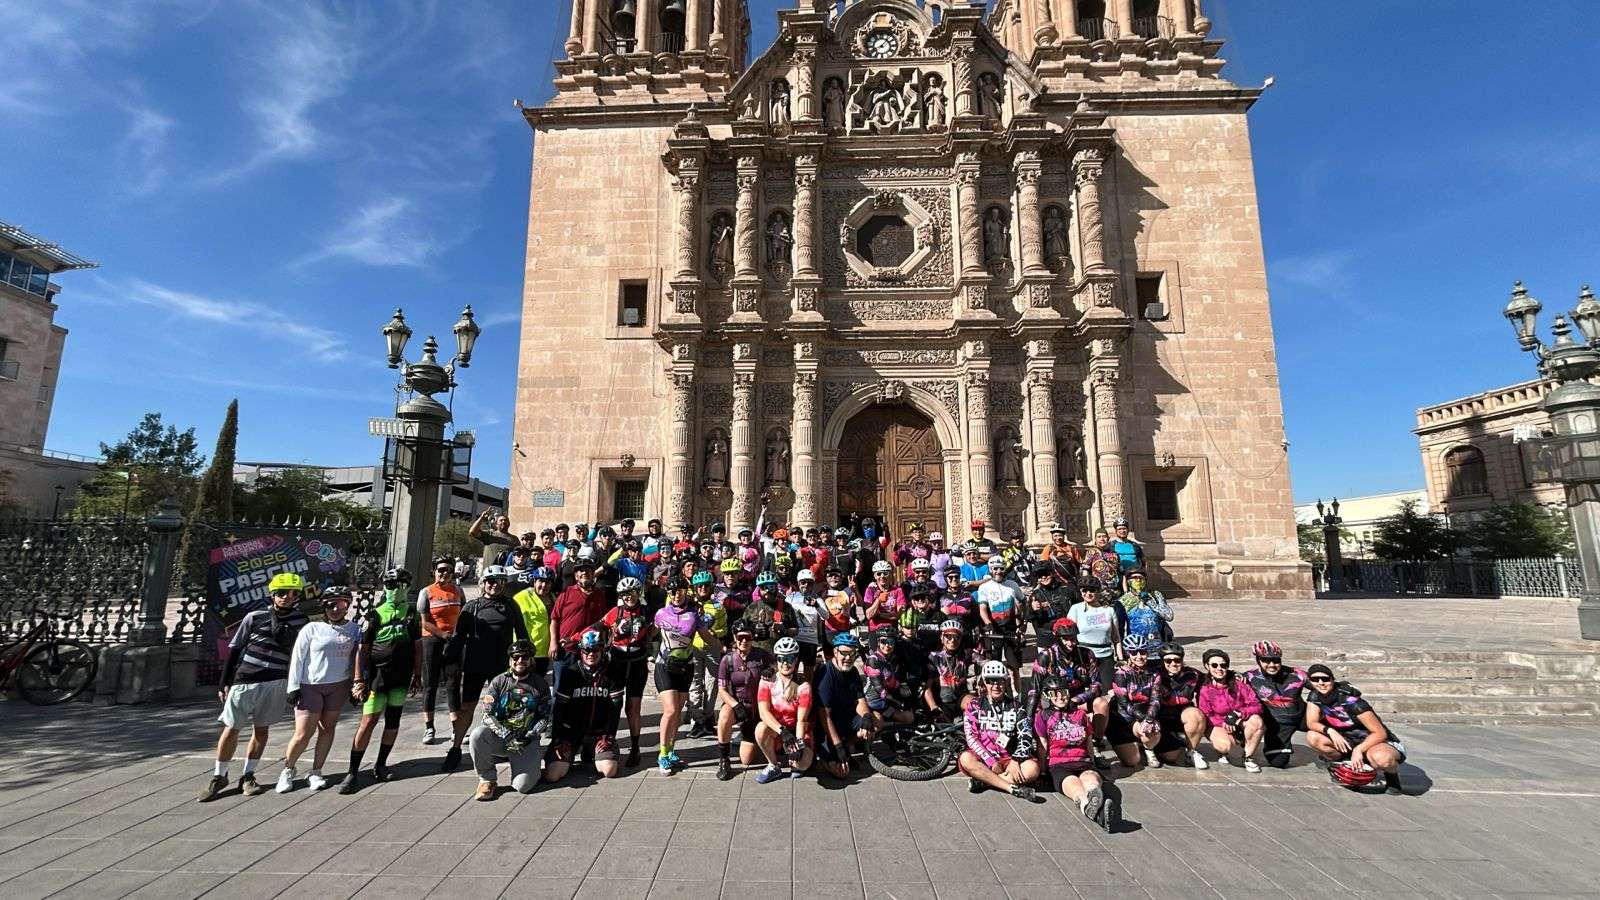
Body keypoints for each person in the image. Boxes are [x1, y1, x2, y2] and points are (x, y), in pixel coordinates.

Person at [199, 572, 309, 802]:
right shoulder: (255, 617)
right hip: (246, 678)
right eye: (281, 593)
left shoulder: (302, 621)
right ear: (272, 594)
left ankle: (248, 775)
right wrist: (224, 681)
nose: (286, 597)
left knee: (261, 729)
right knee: (231, 728)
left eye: (292, 593)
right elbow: (235, 648)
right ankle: (219, 775)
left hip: (276, 680)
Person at [442, 567, 530, 771]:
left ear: (504, 583)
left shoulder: (510, 605)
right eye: (490, 581)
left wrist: (526, 657)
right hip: (476, 664)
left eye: (498, 581)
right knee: (467, 708)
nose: (494, 584)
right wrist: (448, 658)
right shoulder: (472, 607)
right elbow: (458, 637)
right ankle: (455, 749)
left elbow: (522, 634)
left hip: (502, 665)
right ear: (483, 583)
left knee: (506, 707)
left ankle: (505, 745)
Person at [341, 568, 421, 794]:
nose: (396, 589)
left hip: (401, 676)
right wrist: (358, 679)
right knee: (368, 721)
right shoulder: (374, 614)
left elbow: (418, 646)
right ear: (385, 588)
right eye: (392, 585)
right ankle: (352, 771)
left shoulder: (412, 613)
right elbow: (362, 650)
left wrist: (418, 675)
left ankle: (381, 764)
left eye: (401, 585)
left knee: (393, 721)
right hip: (378, 677)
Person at [278, 586, 361, 793]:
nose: (335, 609)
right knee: (303, 733)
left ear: (347, 606)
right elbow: (298, 658)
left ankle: (316, 771)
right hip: (310, 686)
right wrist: (293, 687)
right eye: (330, 605)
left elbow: (357, 659)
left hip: (338, 685)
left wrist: (356, 685)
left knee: (327, 729)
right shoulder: (312, 628)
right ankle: (288, 769)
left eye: (340, 604)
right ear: (324, 606)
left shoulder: (354, 629)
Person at [1033, 675, 1118, 832]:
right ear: (1047, 696)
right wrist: (1043, 771)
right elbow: (1042, 746)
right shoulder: (1043, 716)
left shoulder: (1080, 715)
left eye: (1063, 692)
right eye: (1054, 693)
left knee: (1091, 781)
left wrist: (1093, 763)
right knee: (1075, 787)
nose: (1060, 697)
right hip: (1059, 765)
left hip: (1083, 762)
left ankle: (1095, 799)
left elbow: (1089, 742)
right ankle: (1089, 806)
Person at [1304, 664, 1407, 793]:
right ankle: (1343, 763)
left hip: (1374, 741)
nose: (1320, 683)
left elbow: (1380, 733)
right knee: (1312, 736)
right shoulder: (1315, 696)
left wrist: (1359, 750)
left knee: (1382, 759)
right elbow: (1311, 722)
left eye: (1325, 679)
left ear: (1332, 679)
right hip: (1347, 739)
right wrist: (1330, 731)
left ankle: (1392, 777)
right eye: (1315, 679)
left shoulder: (1352, 701)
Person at [655, 577, 722, 774]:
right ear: (668, 593)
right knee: (670, 710)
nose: (677, 595)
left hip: (685, 667)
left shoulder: (693, 614)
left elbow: (707, 637)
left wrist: (725, 650)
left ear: (686, 592)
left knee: (677, 712)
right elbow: (650, 634)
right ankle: (662, 755)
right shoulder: (660, 613)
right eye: (673, 591)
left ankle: (671, 750)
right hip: (664, 666)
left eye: (680, 591)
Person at [470, 641, 550, 799]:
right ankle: (487, 780)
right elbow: (486, 714)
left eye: (525, 657)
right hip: (501, 737)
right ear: (510, 659)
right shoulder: (499, 681)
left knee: (523, 786)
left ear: (531, 660)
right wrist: (505, 734)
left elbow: (545, 717)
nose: (520, 660)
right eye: (516, 657)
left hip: (526, 741)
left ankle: (529, 767)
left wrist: (531, 735)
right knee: (477, 734)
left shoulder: (540, 683)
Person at [544, 629, 626, 783]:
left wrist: (609, 736)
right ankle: (574, 752)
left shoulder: (612, 672)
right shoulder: (570, 673)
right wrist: (557, 739)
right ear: (580, 651)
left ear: (602, 650)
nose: (591, 654)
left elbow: (616, 710)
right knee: (552, 775)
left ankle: (591, 752)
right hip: (571, 733)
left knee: (609, 770)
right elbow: (559, 709)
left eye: (595, 649)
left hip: (599, 733)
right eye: (587, 650)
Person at [959, 660, 1043, 802]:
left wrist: (1016, 760)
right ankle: (1010, 787)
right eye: (991, 682)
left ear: (1006, 682)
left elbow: (1025, 736)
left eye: (1000, 681)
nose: (995, 686)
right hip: (984, 758)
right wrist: (991, 761)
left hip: (1009, 759)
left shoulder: (1017, 706)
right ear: (984, 683)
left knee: (1033, 769)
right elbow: (971, 737)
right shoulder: (974, 705)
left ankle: (985, 781)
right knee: (965, 758)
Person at [600, 577, 655, 767]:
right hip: (617, 664)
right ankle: (608, 743)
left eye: (632, 592)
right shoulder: (615, 612)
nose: (628, 596)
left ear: (639, 593)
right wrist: (575, 638)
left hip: (638, 665)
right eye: (624, 594)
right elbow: (598, 626)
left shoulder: (647, 612)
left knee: (633, 708)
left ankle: (635, 748)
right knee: (614, 705)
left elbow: (658, 628)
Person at [715, 619, 775, 781]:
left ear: (752, 637)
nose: (744, 641)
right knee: (724, 716)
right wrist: (735, 705)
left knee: (747, 760)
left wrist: (771, 670)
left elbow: (777, 666)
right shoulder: (727, 659)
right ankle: (724, 760)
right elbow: (722, 689)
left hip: (758, 709)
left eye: (747, 637)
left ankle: (751, 737)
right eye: (740, 637)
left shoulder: (761, 655)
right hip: (739, 705)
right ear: (734, 637)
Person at [417, 557, 465, 746]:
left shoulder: (458, 591)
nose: (445, 573)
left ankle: (456, 727)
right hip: (432, 640)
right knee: (430, 685)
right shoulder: (426, 592)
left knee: (453, 684)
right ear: (434, 571)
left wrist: (458, 636)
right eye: (441, 570)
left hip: (452, 641)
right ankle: (429, 727)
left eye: (448, 570)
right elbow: (425, 622)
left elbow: (462, 615)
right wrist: (443, 635)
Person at [753, 637, 814, 782]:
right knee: (760, 729)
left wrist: (798, 745)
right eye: (781, 658)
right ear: (777, 660)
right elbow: (763, 713)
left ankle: (795, 759)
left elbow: (801, 720)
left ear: (796, 660)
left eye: (790, 658)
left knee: (802, 764)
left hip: (797, 730)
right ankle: (773, 765)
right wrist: (783, 732)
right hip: (778, 730)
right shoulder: (767, 681)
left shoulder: (804, 686)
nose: (785, 663)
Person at [1196, 649, 1265, 772]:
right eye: (1214, 665)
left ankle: (1248, 757)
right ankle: (1227, 747)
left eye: (1223, 665)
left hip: (1239, 719)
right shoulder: (1205, 689)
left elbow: (1256, 705)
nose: (1219, 668)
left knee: (1257, 721)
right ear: (1207, 666)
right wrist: (1225, 722)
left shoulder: (1239, 684)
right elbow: (1206, 714)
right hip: (1217, 724)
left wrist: (1238, 714)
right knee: (1224, 746)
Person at [1243, 640, 1307, 769]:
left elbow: (1322, 683)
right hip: (1277, 724)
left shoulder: (1297, 674)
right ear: (1258, 660)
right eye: (1266, 660)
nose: (1272, 665)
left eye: (1276, 660)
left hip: (1302, 717)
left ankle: (1334, 754)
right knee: (1279, 763)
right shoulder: (1249, 677)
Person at [813, 633, 869, 779]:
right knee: (841, 773)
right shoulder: (826, 673)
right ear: (835, 652)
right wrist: (838, 747)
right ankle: (825, 758)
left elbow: (860, 700)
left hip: (845, 719)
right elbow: (824, 716)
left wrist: (867, 717)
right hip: (826, 726)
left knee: (872, 725)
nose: (848, 657)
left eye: (852, 653)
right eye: (844, 653)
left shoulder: (853, 671)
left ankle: (846, 747)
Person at [1108, 635, 1166, 770]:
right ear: (1128, 654)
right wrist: (1143, 718)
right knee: (1132, 761)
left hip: (1144, 712)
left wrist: (1150, 719)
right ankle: (1135, 744)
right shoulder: (1121, 673)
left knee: (1151, 729)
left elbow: (1155, 699)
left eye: (1143, 652)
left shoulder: (1154, 674)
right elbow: (1123, 702)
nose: (1139, 656)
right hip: (1124, 718)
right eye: (1134, 653)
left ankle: (1149, 748)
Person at [1153, 642, 1208, 769]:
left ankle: (1191, 751)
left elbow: (1213, 678)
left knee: (1195, 714)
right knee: (1171, 757)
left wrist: (1234, 676)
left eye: (1177, 660)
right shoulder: (1154, 674)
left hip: (1182, 713)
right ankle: (1151, 745)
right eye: (1168, 661)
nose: (1173, 664)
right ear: (1162, 661)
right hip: (1161, 717)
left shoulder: (1193, 674)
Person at [1067, 577, 1122, 695]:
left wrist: (1121, 659)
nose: (1088, 593)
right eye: (1084, 590)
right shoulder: (1075, 609)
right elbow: (1068, 636)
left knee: (1108, 693)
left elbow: (1116, 638)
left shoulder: (1109, 610)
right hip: (1083, 658)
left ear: (1098, 592)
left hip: (1105, 657)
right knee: (1083, 694)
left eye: (1092, 590)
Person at [976, 555, 1024, 687]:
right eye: (995, 568)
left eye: (1001, 568)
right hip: (993, 630)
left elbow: (1023, 602)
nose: (998, 571)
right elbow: (982, 609)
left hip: (1011, 629)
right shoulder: (984, 587)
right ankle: (993, 692)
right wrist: (988, 623)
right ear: (990, 570)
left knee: (1014, 667)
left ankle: (1018, 694)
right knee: (992, 666)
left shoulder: (1013, 585)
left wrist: (1022, 622)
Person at [550, 559, 608, 659]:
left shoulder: (599, 595)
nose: (584, 573)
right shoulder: (566, 592)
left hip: (590, 651)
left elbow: (603, 623)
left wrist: (603, 645)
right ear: (576, 576)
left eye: (588, 570)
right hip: (567, 648)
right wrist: (553, 642)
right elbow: (554, 620)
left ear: (593, 574)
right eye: (581, 571)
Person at [862, 629, 917, 730]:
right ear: (878, 642)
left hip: (885, 700)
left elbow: (890, 679)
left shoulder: (890, 659)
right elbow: (879, 687)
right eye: (884, 642)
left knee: (910, 717)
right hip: (874, 702)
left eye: (891, 642)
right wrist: (897, 701)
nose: (887, 645)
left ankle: (891, 730)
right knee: (880, 724)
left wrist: (900, 686)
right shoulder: (873, 660)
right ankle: (883, 728)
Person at [924, 619, 976, 719]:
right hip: (941, 702)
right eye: (948, 636)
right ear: (941, 637)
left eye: (957, 637)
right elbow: (927, 687)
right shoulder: (934, 657)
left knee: (974, 704)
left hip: (960, 699)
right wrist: (933, 706)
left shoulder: (966, 654)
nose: (952, 640)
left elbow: (985, 662)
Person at [510, 566, 556, 678]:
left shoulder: (554, 597)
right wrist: (520, 649)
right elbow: (516, 626)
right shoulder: (522, 597)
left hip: (546, 650)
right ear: (534, 581)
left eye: (547, 582)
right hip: (527, 650)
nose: (544, 585)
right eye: (541, 581)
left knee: (539, 680)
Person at [785, 568, 825, 676]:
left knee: (809, 672)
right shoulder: (791, 597)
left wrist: (816, 605)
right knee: (792, 670)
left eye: (810, 583)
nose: (806, 585)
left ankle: (808, 687)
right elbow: (784, 614)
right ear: (798, 583)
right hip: (795, 639)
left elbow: (826, 616)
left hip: (810, 640)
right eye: (803, 582)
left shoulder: (817, 599)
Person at [861, 560, 906, 632]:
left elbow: (899, 615)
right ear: (875, 576)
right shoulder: (870, 590)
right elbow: (869, 615)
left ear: (890, 574)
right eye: (879, 574)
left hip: (892, 630)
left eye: (885, 573)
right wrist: (878, 600)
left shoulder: (898, 590)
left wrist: (880, 615)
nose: (882, 576)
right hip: (875, 630)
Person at [1107, 518, 1145, 588]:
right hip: (1118, 577)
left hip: (1133, 577)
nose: (1122, 531)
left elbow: (1143, 561)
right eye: (1119, 529)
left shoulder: (1135, 545)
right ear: (1116, 531)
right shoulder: (1110, 546)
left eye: (1124, 528)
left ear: (1127, 530)